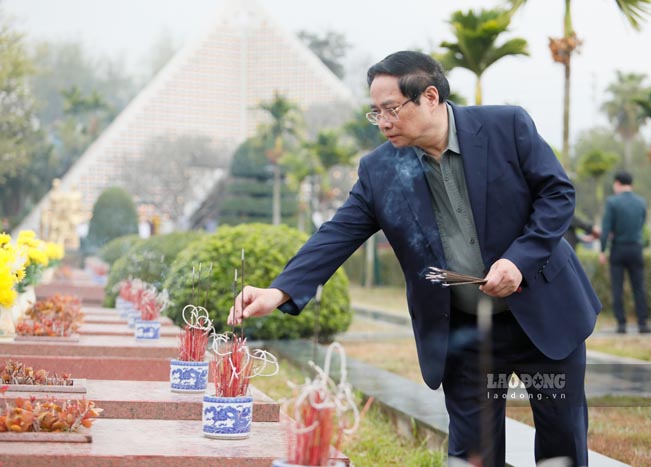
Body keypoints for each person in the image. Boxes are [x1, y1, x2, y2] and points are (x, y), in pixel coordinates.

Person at [229, 51, 601, 467]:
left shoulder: (505, 126)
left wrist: (518, 260)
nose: (384, 122)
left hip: (543, 315)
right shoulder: (380, 169)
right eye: (376, 112)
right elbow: (337, 234)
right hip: (464, 334)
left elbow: (557, 194)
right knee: (472, 455)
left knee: (562, 446)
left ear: (429, 96)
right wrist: (279, 291)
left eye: (391, 109)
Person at [598, 171, 651, 334]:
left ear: (617, 183)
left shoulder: (612, 202)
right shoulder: (641, 202)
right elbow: (642, 222)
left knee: (617, 287)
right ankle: (643, 323)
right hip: (636, 248)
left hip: (618, 249)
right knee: (639, 287)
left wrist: (602, 250)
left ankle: (621, 324)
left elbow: (606, 228)